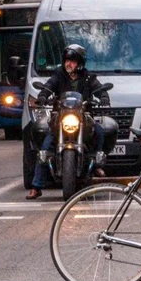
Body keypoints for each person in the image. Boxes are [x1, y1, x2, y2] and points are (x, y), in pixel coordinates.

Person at [27, 44, 109, 200]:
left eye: (72, 61)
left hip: (83, 116)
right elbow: (49, 86)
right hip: (61, 117)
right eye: (66, 60)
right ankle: (36, 186)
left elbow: (98, 88)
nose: (68, 64)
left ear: (80, 63)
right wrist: (43, 96)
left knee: (99, 131)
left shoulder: (88, 77)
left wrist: (103, 96)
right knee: (45, 146)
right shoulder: (59, 74)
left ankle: (97, 164)